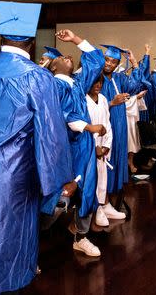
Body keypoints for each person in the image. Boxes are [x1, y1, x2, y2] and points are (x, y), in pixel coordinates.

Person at [0, 1, 75, 294]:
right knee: (10, 242)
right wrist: (57, 181)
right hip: (15, 174)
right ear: (31, 42)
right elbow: (50, 135)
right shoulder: (37, 77)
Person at [41, 29, 106, 257]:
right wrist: (89, 127)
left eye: (68, 55)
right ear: (52, 67)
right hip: (66, 148)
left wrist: (76, 38)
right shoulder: (53, 86)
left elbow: (96, 60)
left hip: (84, 145)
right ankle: (36, 234)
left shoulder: (77, 83)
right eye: (60, 58)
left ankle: (81, 236)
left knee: (87, 190)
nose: (66, 56)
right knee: (62, 195)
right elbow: (64, 115)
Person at [99, 44, 146, 218]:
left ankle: (109, 202)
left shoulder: (119, 78)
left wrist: (134, 62)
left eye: (113, 61)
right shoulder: (97, 78)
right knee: (106, 163)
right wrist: (112, 102)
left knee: (117, 159)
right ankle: (101, 204)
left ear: (118, 63)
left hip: (120, 126)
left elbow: (136, 86)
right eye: (106, 59)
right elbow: (90, 103)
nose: (109, 63)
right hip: (105, 126)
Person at [86, 74, 114, 227]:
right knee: (92, 180)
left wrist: (107, 145)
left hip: (102, 146)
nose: (98, 85)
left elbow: (107, 123)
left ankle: (102, 207)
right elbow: (84, 126)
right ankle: (95, 210)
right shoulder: (83, 99)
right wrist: (95, 146)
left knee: (102, 178)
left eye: (101, 82)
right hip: (90, 147)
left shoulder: (103, 99)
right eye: (95, 81)